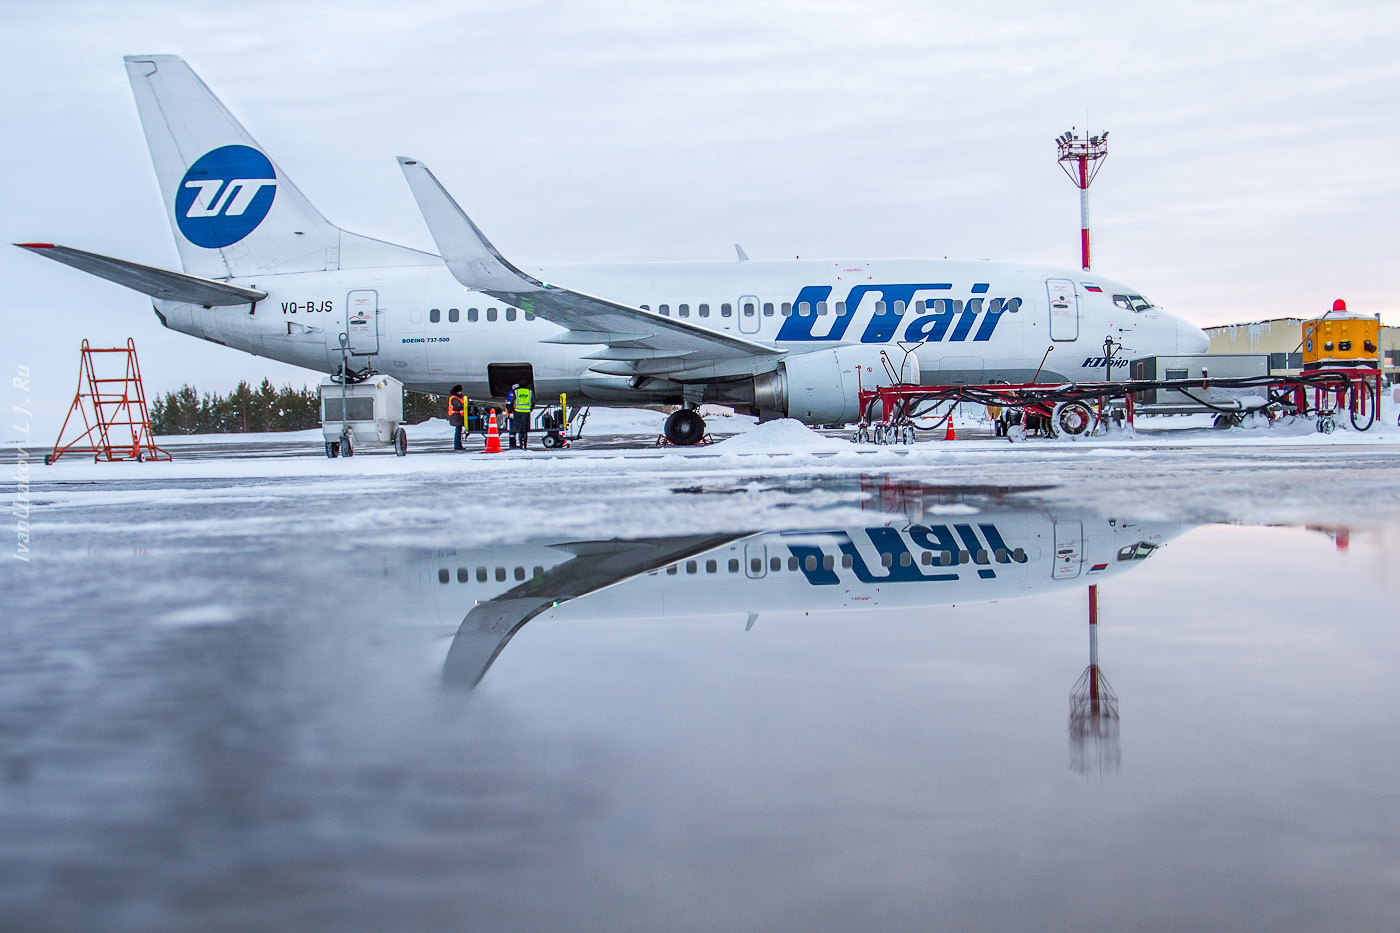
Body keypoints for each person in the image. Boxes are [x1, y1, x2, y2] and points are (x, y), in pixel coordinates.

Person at [507, 382, 533, 449]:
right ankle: (524, 445)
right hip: (526, 412)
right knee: (525, 429)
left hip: (518, 412)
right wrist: (530, 409)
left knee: (519, 429)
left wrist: (511, 411)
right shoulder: (529, 392)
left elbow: (511, 402)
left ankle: (520, 444)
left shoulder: (516, 392)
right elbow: (533, 401)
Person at [447, 385, 466, 451]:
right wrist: (465, 404)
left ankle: (458, 445)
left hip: (458, 417)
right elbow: (458, 406)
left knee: (458, 431)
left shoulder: (457, 398)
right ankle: (457, 445)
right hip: (456, 417)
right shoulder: (454, 398)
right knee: (458, 431)